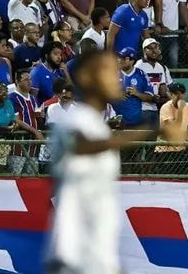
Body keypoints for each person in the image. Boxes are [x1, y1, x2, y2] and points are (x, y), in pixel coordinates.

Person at [43, 50, 154, 274]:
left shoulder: (97, 123)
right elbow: (82, 146)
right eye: (106, 70)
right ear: (85, 76)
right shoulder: (74, 117)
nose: (116, 77)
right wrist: (152, 132)